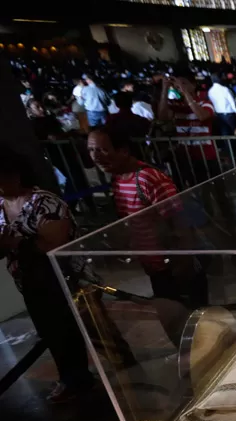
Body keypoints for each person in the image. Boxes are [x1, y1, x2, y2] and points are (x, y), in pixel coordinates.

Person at [87, 128, 209, 346]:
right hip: (156, 266)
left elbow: (180, 224)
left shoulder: (148, 179)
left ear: (123, 151)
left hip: (173, 266)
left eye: (104, 149)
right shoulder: (119, 179)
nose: (96, 156)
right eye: (92, 150)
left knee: (193, 326)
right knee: (175, 325)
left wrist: (183, 265)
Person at [0, 150, 99, 402]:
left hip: (65, 279)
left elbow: (52, 244)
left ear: (14, 175)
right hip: (30, 282)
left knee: (87, 330)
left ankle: (118, 380)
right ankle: (70, 378)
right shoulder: (1, 205)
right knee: (51, 332)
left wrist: (14, 243)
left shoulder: (44, 202)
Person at [157, 69, 217, 187]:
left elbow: (202, 116)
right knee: (190, 189)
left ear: (193, 85)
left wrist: (186, 94)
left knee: (213, 189)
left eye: (184, 83)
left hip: (205, 155)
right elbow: (162, 117)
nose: (179, 86)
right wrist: (164, 90)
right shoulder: (176, 105)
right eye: (177, 84)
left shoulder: (205, 103)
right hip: (184, 156)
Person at [207, 73, 236, 137]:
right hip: (229, 113)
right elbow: (231, 102)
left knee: (225, 133)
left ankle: (228, 146)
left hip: (218, 114)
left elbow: (211, 102)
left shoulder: (210, 91)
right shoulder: (224, 89)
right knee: (234, 131)